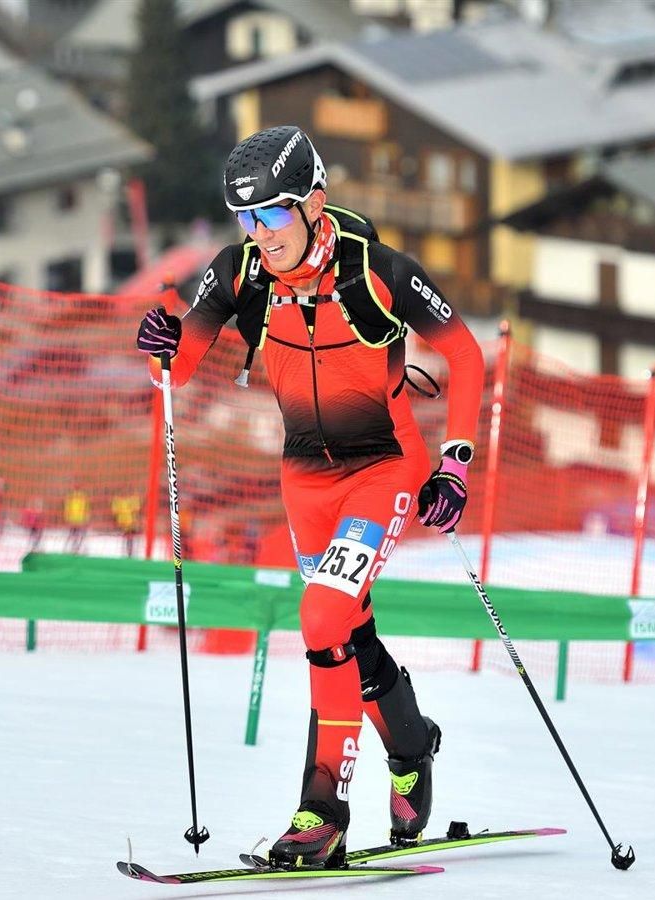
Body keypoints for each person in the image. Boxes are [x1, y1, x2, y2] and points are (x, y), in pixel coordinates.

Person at [136, 126, 484, 868]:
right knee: (344, 634)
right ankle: (412, 745)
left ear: (313, 203)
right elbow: (183, 357)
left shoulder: (376, 271)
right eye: (245, 219)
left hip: (383, 467)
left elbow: (464, 350)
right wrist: (162, 339)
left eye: (272, 215)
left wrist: (454, 463)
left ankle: (321, 813)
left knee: (322, 615)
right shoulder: (242, 274)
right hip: (304, 479)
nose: (259, 235)